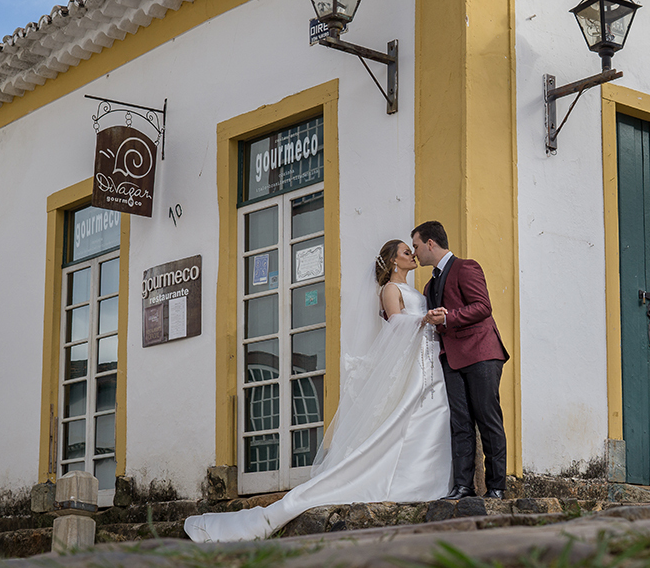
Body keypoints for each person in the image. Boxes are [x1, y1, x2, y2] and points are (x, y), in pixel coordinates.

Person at [183, 239, 451, 542]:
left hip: (424, 357)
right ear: (393, 261)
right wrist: (423, 319)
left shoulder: (415, 289)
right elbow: (396, 322)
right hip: (413, 358)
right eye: (406, 252)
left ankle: (424, 478)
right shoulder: (390, 289)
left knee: (425, 415)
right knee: (403, 418)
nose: (412, 255)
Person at [411, 220, 510, 500]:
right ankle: (464, 486)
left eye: (416, 246)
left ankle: (497, 487)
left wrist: (447, 318)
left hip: (481, 353)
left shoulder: (466, 267)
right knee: (460, 423)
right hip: (451, 359)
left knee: (488, 420)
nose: (415, 252)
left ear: (430, 243)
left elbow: (483, 307)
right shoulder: (430, 286)